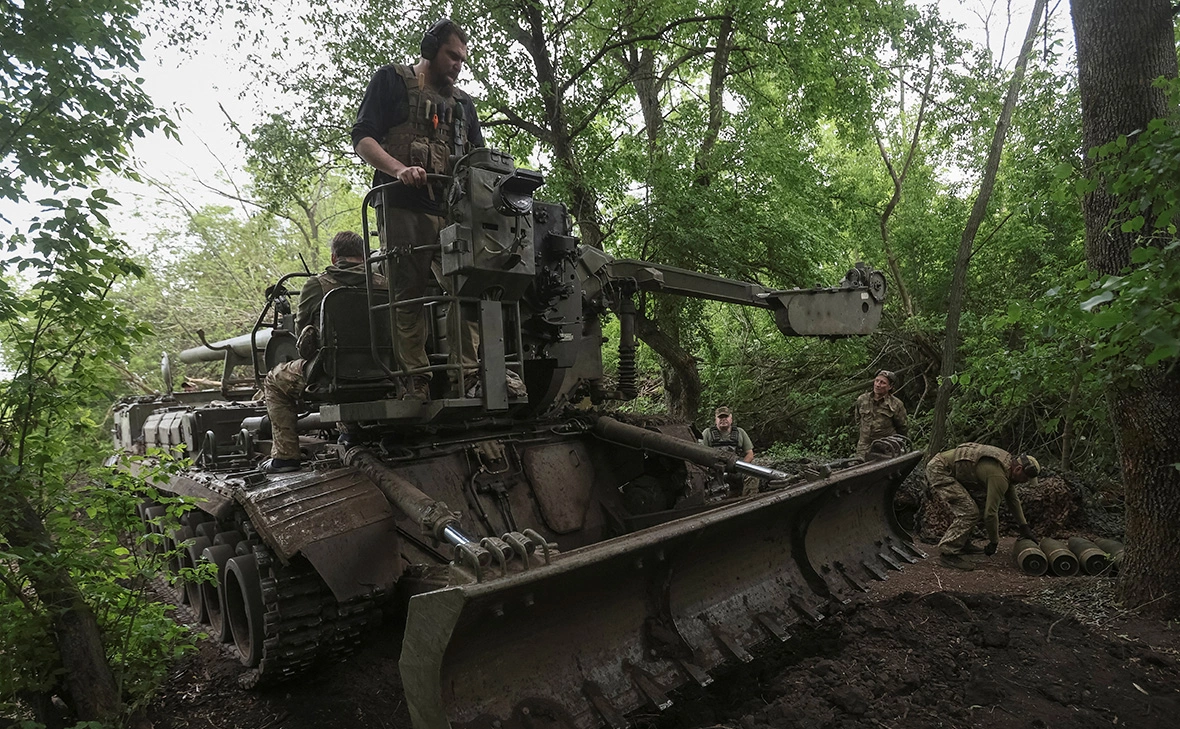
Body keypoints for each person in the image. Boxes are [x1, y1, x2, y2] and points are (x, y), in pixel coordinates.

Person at [351, 18, 498, 401]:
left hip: (453, 211)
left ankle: (466, 376)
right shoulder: (391, 81)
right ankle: (414, 378)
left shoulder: (464, 104)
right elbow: (363, 138)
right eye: (452, 56)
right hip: (402, 205)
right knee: (408, 294)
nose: (457, 65)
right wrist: (399, 170)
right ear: (430, 48)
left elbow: (479, 160)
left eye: (462, 60)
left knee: (467, 291)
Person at [261, 231, 382, 474]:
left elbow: (301, 340)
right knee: (346, 366)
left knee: (274, 379)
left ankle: (285, 457)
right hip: (383, 368)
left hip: (331, 371)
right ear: (364, 255)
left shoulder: (317, 284)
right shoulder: (384, 283)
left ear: (334, 256)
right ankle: (350, 436)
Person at [925, 443, 1039, 570]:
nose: (1024, 482)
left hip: (950, 469)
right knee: (969, 512)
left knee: (978, 505)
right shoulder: (999, 476)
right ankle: (948, 552)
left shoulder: (1007, 466)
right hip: (940, 470)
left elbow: (1013, 500)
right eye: (1025, 478)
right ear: (1018, 469)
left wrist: (1024, 527)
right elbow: (990, 514)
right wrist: (994, 541)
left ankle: (963, 543)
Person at [701, 406, 757, 496]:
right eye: (720, 417)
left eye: (726, 417)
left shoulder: (740, 432)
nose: (723, 419)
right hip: (715, 472)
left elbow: (750, 454)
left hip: (735, 469)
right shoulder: (707, 433)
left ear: (731, 419)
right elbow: (701, 455)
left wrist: (740, 468)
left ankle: (749, 500)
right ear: (716, 420)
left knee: (752, 474)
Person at [855, 369, 907, 460]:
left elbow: (902, 427)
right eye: (876, 381)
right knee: (860, 469)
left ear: (890, 386)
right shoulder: (862, 399)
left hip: (886, 446)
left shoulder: (896, 404)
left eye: (882, 383)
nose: (878, 385)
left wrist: (896, 444)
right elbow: (858, 420)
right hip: (864, 446)